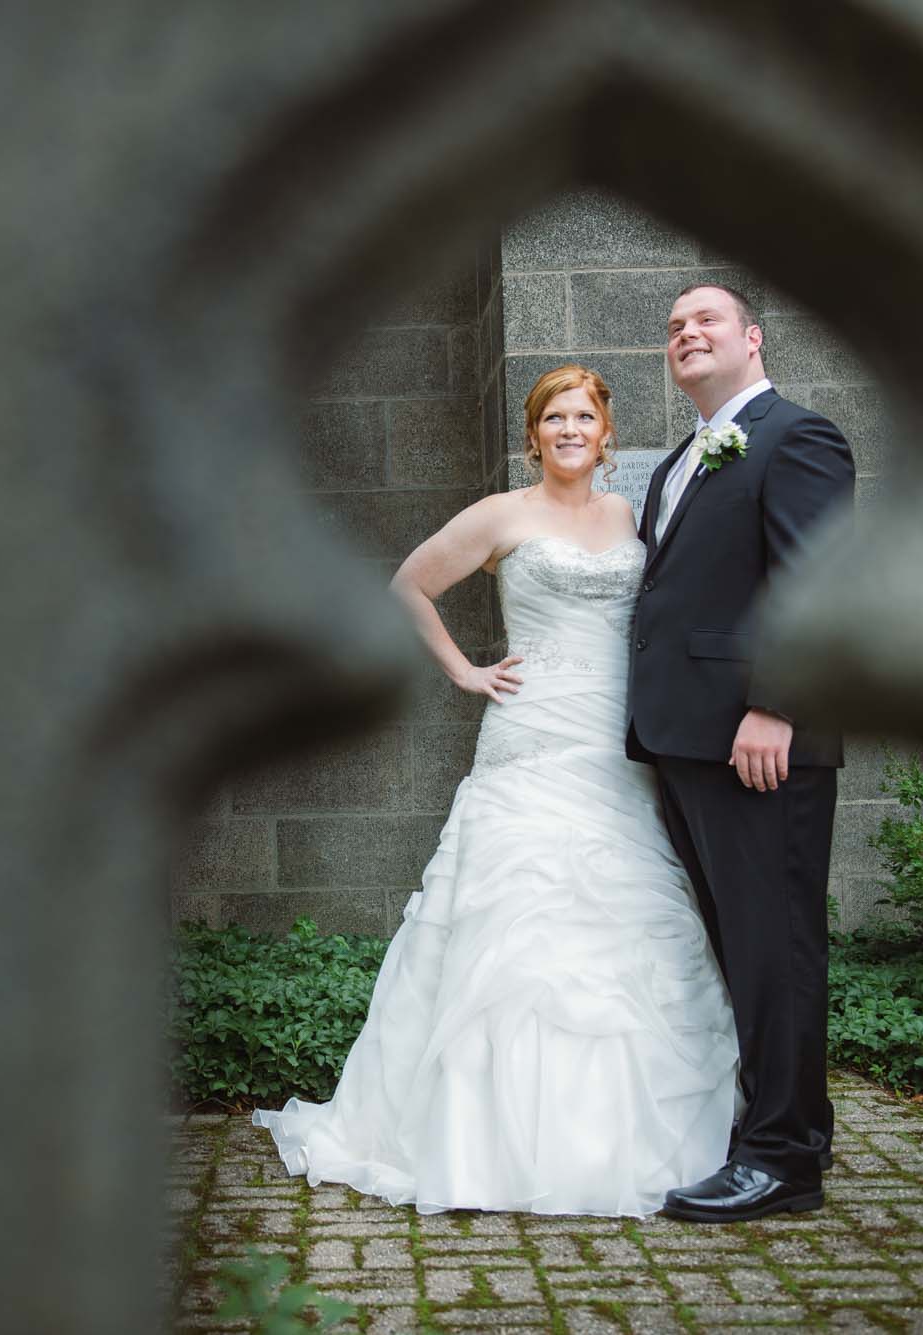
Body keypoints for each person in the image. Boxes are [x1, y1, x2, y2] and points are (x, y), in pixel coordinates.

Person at [252, 365, 739, 1217]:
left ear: (606, 432)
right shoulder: (502, 514)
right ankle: (484, 1137)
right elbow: (408, 584)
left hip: (617, 739)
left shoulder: (632, 516)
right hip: (531, 732)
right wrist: (465, 671)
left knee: (626, 909)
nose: (569, 429)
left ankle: (620, 1131)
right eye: (554, 417)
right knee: (515, 910)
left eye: (584, 415)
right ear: (534, 433)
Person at [629, 283, 855, 1223]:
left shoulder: (796, 436)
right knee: (744, 949)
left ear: (752, 339)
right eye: (675, 327)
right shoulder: (681, 459)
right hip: (685, 741)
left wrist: (777, 706)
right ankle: (787, 1121)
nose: (687, 333)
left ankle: (783, 1160)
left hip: (757, 742)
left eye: (705, 320)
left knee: (777, 947)